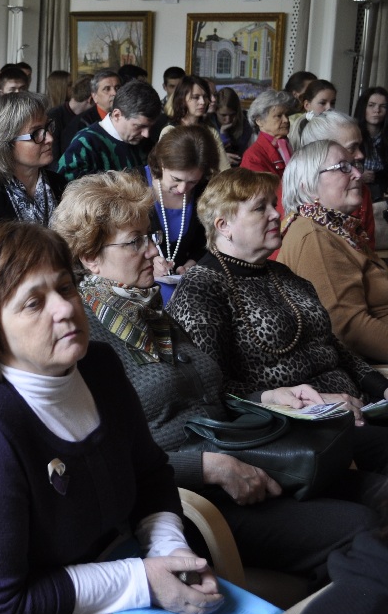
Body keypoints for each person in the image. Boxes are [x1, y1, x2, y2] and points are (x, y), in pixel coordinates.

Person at [51, 170, 379, 590]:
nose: (153, 251)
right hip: (188, 498)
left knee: (379, 494)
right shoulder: (85, 340)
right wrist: (207, 467)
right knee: (360, 528)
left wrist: (270, 395)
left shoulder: (154, 315)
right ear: (89, 257)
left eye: (150, 236)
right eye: (134, 242)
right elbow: (104, 463)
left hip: (244, 457)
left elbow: (211, 394)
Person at [0, 221, 224, 614]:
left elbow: (149, 474)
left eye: (65, 287)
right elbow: (1, 606)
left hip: (104, 572)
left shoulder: (100, 366)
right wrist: (144, 580)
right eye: (33, 303)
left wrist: (169, 552)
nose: (64, 308)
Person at [168, 168, 388, 420]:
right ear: (223, 225)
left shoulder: (283, 274)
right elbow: (209, 388)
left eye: (273, 205)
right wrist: (307, 404)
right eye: (260, 208)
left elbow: (335, 349)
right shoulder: (201, 288)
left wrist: (382, 388)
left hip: (357, 407)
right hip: (290, 422)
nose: (276, 214)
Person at [278, 139, 388, 362]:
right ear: (308, 187)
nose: (357, 174)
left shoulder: (335, 229)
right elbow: (349, 329)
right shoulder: (314, 235)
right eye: (343, 167)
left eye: (355, 166)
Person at [0, 91, 66, 237]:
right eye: (36, 133)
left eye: (48, 127)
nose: (49, 138)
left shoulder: (60, 184)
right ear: (4, 143)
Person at [145, 125, 219, 304]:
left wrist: (193, 262)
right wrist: (146, 262)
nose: (182, 189)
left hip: (187, 291)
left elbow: (207, 241)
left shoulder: (204, 191)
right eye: (176, 179)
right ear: (161, 163)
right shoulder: (133, 185)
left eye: (192, 181)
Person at [298, 110, 376, 249]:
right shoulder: (296, 196)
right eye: (352, 148)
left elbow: (369, 248)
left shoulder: (361, 190)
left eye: (359, 146)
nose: (360, 155)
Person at [57, 79, 161, 181]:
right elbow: (65, 186)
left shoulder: (145, 142)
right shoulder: (85, 143)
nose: (146, 134)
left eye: (150, 127)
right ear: (117, 115)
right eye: (138, 126)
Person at [240, 89, 298, 212]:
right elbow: (264, 198)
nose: (286, 120)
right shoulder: (253, 156)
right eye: (279, 116)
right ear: (259, 121)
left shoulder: (290, 145)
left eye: (286, 115)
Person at [160, 76, 231, 170]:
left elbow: (225, 169)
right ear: (182, 99)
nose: (203, 102)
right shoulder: (169, 130)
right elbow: (163, 169)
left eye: (205, 96)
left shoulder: (211, 132)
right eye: (196, 97)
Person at [55, 69, 122, 159]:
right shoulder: (81, 124)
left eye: (117, 88)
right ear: (94, 96)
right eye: (107, 89)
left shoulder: (127, 117)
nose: (114, 93)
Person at [354, 86, 388, 194]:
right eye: (371, 105)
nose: (377, 110)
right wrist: (359, 176)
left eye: (383, 106)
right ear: (363, 107)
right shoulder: (352, 136)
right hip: (356, 191)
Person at [208, 86, 254, 161]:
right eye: (223, 115)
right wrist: (223, 133)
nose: (228, 120)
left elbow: (237, 155)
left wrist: (224, 133)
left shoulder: (246, 122)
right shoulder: (208, 123)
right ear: (216, 111)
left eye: (232, 115)